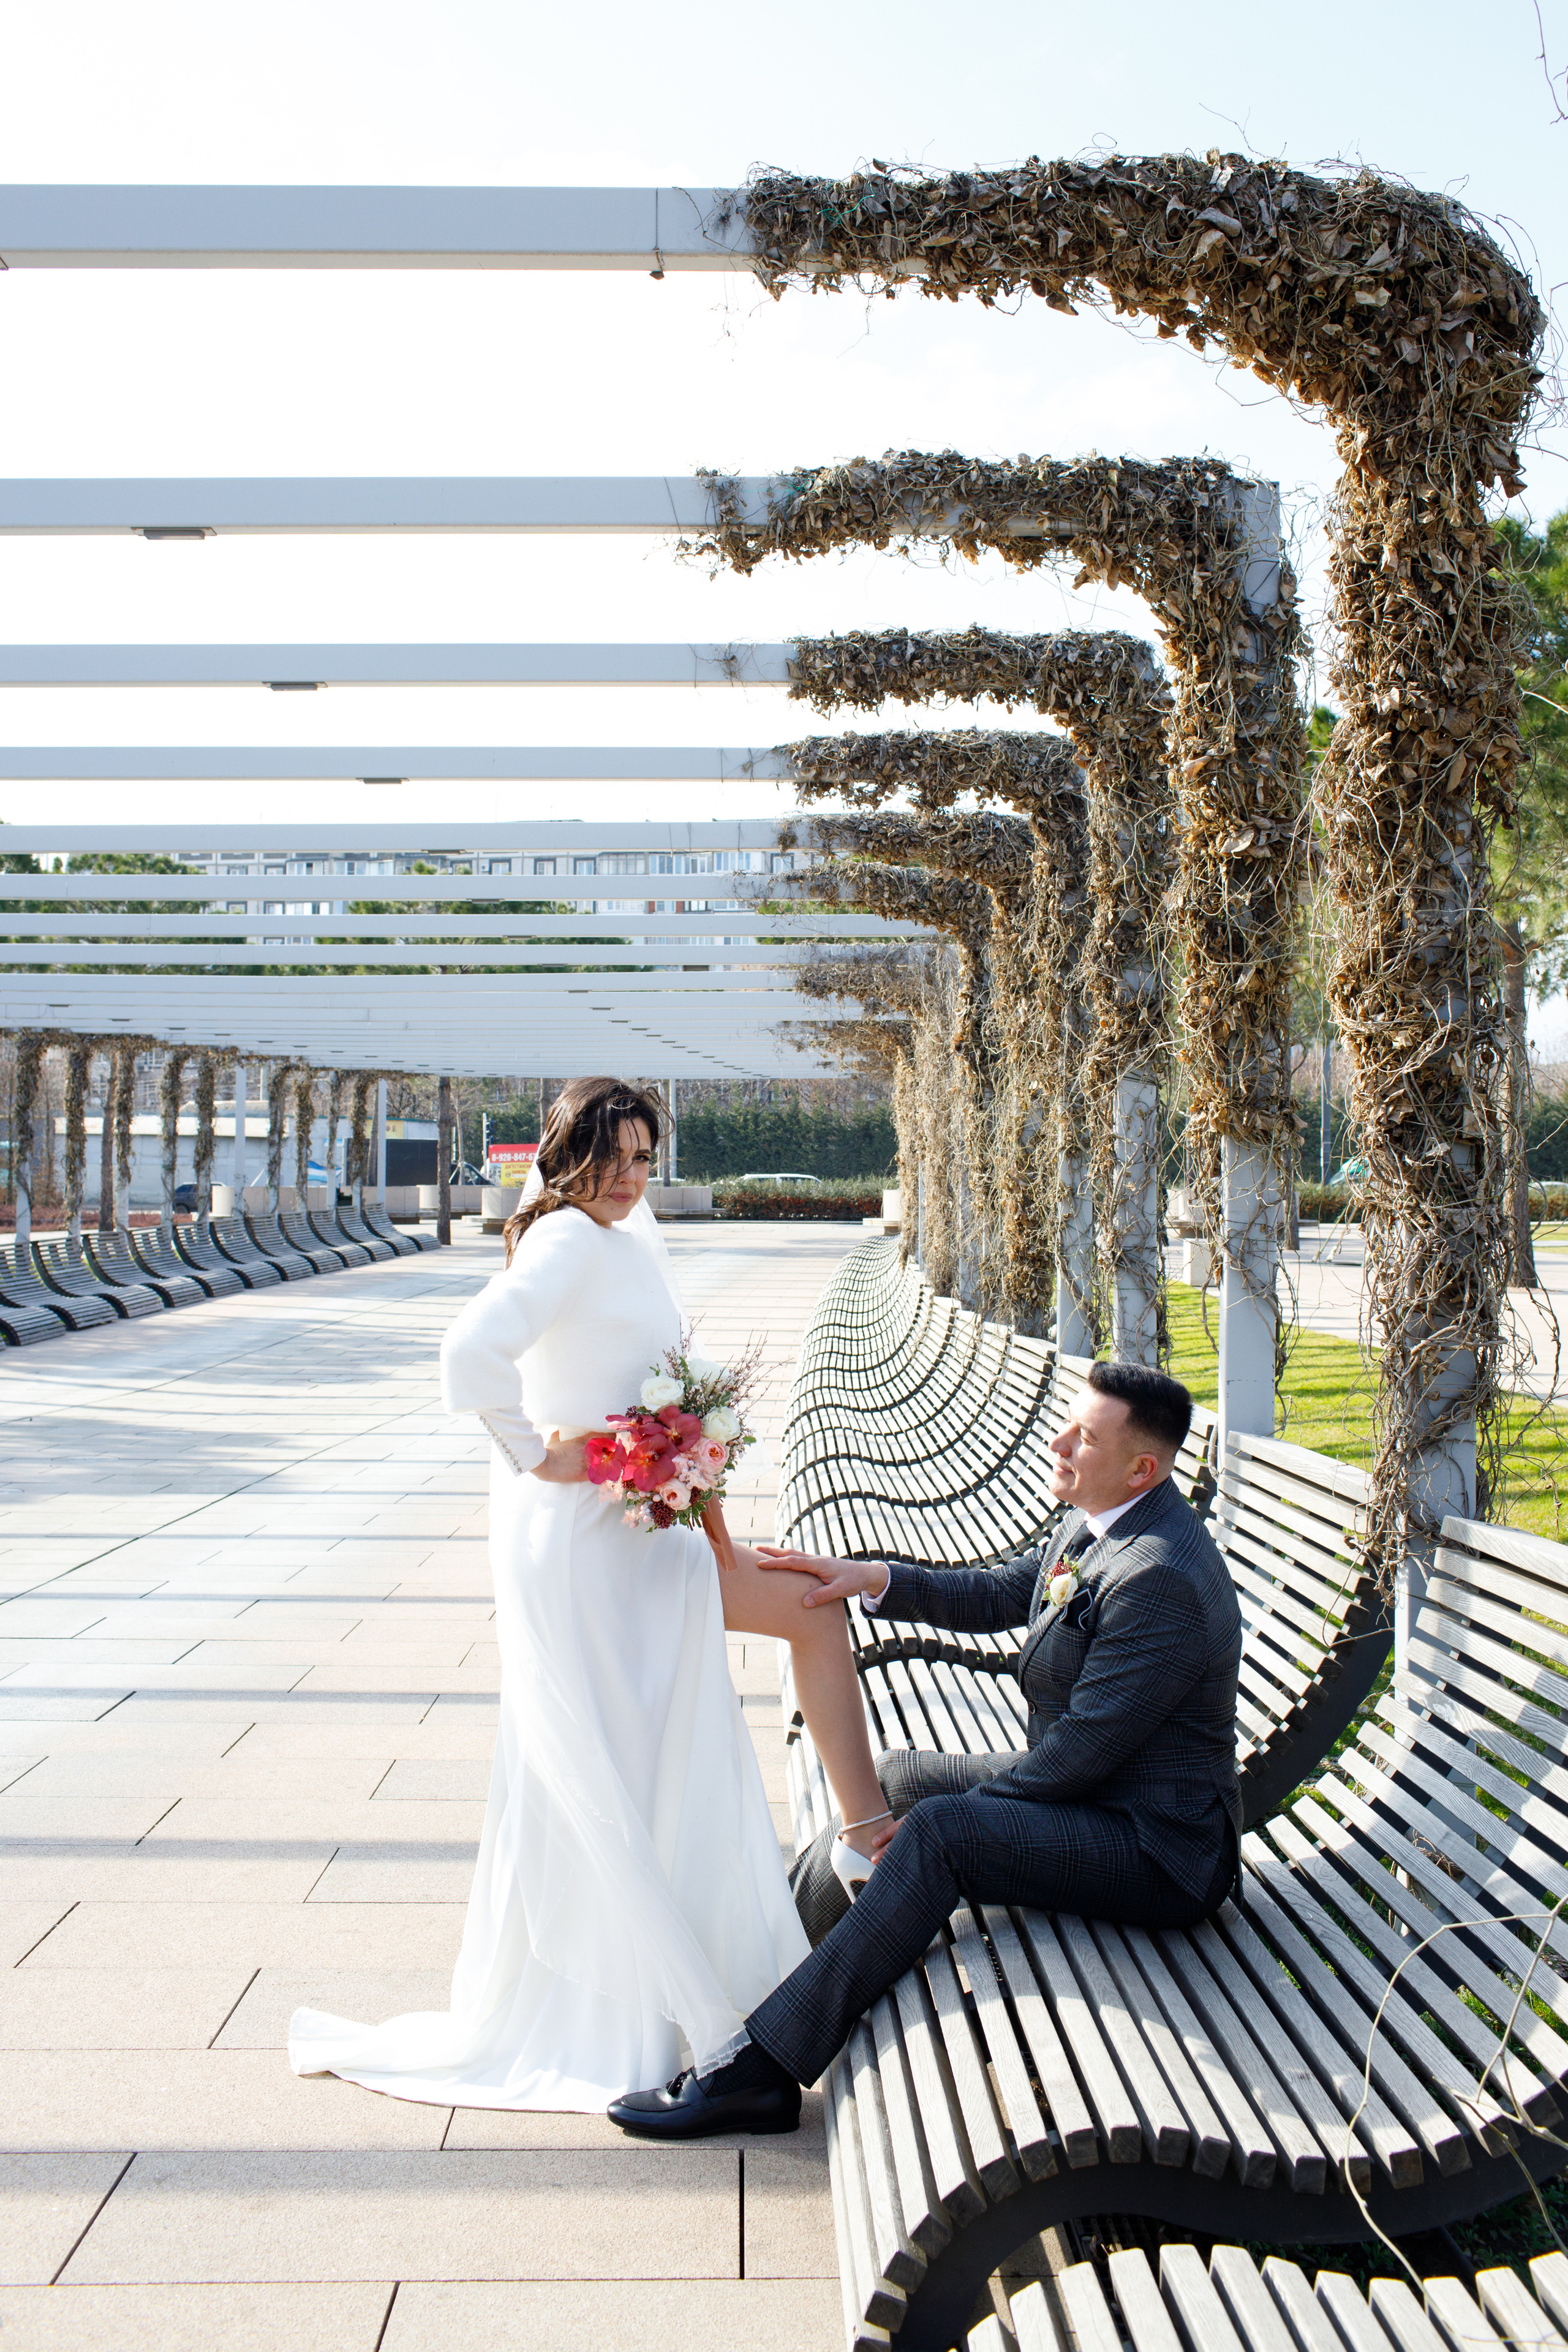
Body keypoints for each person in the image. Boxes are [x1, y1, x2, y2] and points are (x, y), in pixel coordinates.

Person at [288, 1076, 889, 2113]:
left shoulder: (630, 1233)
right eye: (610, 1159)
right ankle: (700, 2010)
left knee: (789, 1620)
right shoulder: (564, 1237)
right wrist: (543, 1455)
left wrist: (713, 1520)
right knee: (613, 1761)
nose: (628, 1177)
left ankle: (864, 1836)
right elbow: (468, 1353)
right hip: (581, 1542)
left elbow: (674, 1388)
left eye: (643, 1158)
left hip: (646, 1526)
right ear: (568, 1157)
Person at [606, 1359, 1243, 2139]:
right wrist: (868, 1577)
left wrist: (945, 1824)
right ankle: (768, 1973)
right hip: (1101, 1792)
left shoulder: (1160, 1576)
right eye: (1068, 1424)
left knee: (941, 1834)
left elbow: (1080, 1754)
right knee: (897, 1778)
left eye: (1083, 1437)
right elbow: (1011, 1591)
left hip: (1157, 1848)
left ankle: (761, 2073)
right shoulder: (1106, 1513)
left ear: (1143, 1466)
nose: (1059, 1442)